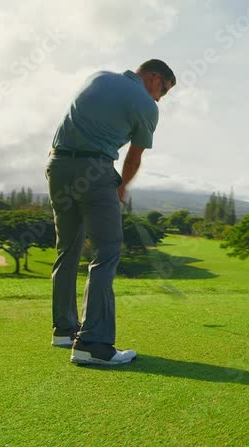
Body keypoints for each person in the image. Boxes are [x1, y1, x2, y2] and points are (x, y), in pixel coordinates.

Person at [44, 59, 175, 365]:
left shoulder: (98, 76)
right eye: (164, 91)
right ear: (155, 78)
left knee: (68, 248)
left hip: (57, 165)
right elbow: (133, 158)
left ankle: (64, 330)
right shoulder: (147, 105)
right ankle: (93, 343)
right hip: (95, 169)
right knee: (107, 251)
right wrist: (121, 188)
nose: (159, 99)